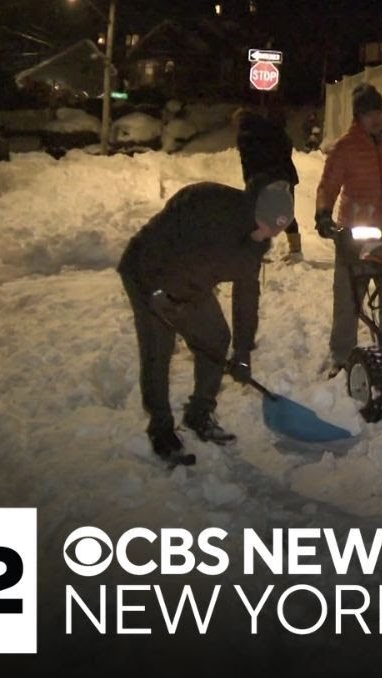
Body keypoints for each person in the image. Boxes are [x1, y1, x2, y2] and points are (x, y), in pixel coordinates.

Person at [117, 177, 294, 465]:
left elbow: (246, 295)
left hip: (194, 283)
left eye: (275, 231)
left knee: (216, 338)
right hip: (147, 273)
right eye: (265, 228)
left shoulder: (257, 242)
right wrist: (161, 293)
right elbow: (162, 242)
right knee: (158, 348)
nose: (267, 236)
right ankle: (161, 430)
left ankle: (199, 413)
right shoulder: (208, 205)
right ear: (256, 212)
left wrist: (243, 352)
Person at [314, 83, 382, 377]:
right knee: (348, 298)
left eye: (378, 112)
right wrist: (323, 214)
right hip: (354, 235)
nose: (374, 119)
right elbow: (329, 185)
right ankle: (342, 357)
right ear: (358, 118)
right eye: (367, 114)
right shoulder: (345, 148)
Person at [235, 107, 303, 263]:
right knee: (287, 210)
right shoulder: (270, 132)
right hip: (286, 176)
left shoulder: (246, 136)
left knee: (260, 212)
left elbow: (248, 162)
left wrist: (250, 182)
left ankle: (261, 248)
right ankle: (296, 250)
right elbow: (286, 149)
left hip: (261, 180)